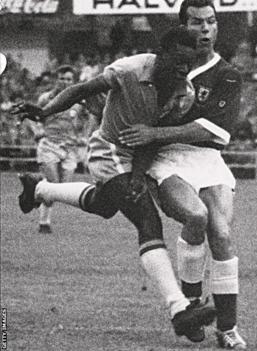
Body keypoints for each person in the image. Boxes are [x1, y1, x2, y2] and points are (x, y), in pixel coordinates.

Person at [11, 26, 218, 342]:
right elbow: (82, 89)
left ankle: (38, 189)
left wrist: (137, 174)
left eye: (188, 64)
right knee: (147, 219)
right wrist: (45, 111)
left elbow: (154, 138)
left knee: (104, 205)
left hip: (136, 156)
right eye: (178, 61)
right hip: (108, 150)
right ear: (161, 55)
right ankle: (179, 310)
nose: (183, 70)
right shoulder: (130, 69)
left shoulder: (183, 93)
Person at [118, 0, 246, 348]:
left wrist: (155, 132)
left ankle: (228, 328)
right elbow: (122, 96)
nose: (205, 29)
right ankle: (191, 308)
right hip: (167, 159)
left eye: (211, 22)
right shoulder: (158, 69)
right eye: (197, 22)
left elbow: (216, 131)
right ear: (182, 26)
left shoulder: (228, 74)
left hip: (208, 158)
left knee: (221, 233)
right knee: (196, 216)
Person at [24, 65, 91, 233]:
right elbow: (32, 116)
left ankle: (33, 186)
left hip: (70, 148)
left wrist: (85, 135)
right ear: (56, 79)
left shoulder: (79, 101)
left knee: (61, 187)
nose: (65, 82)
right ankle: (44, 224)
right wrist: (37, 130)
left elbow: (91, 118)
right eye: (62, 78)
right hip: (49, 145)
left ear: (73, 81)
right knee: (53, 184)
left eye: (68, 79)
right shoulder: (46, 98)